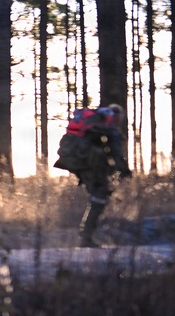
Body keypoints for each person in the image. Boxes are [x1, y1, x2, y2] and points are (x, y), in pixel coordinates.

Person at [53, 103, 131, 247]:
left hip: (77, 161)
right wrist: (124, 172)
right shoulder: (109, 127)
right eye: (120, 118)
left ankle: (86, 235)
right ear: (117, 116)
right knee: (99, 197)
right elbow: (116, 153)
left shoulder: (93, 123)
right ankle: (85, 237)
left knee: (98, 196)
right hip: (88, 163)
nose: (119, 122)